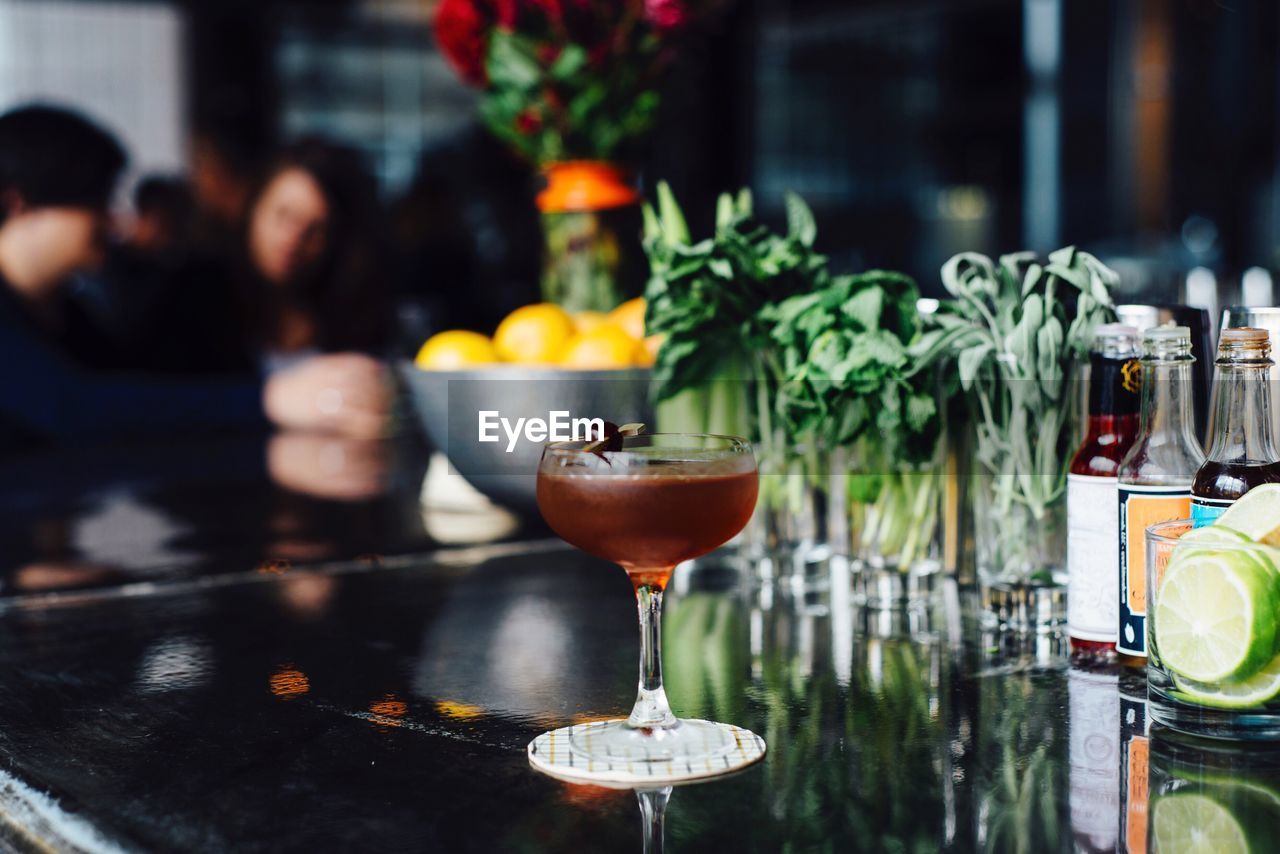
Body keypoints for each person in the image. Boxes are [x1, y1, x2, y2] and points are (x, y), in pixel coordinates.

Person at [0, 104, 389, 444]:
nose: (115, 221)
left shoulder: (70, 314)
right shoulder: (195, 293)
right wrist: (270, 399)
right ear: (19, 204)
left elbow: (135, 396)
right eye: (95, 201)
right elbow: (73, 410)